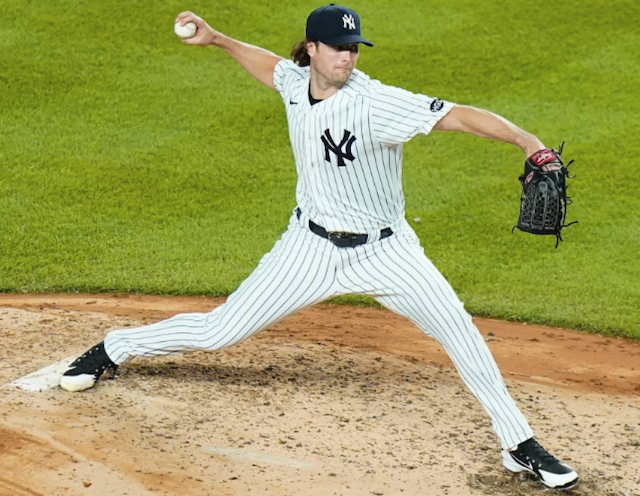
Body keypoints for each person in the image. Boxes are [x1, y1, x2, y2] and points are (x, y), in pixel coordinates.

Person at [60, 4, 578, 490]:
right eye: (337, 47)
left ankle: (519, 443)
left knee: (460, 333)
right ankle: (114, 347)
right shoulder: (294, 82)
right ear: (311, 49)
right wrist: (217, 39)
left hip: (386, 253)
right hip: (308, 249)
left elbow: (458, 116)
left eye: (353, 47)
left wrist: (526, 141)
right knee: (221, 330)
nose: (348, 56)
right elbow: (270, 69)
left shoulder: (376, 102)